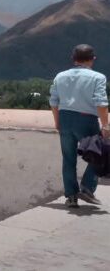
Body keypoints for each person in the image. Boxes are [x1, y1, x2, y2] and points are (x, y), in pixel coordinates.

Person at [50, 44, 110, 208]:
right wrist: (105, 125)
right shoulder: (98, 77)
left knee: (68, 159)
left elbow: (54, 102)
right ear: (93, 59)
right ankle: (87, 188)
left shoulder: (60, 76)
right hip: (86, 119)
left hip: (65, 118)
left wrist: (57, 121)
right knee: (99, 153)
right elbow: (101, 103)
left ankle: (71, 197)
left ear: (73, 59)